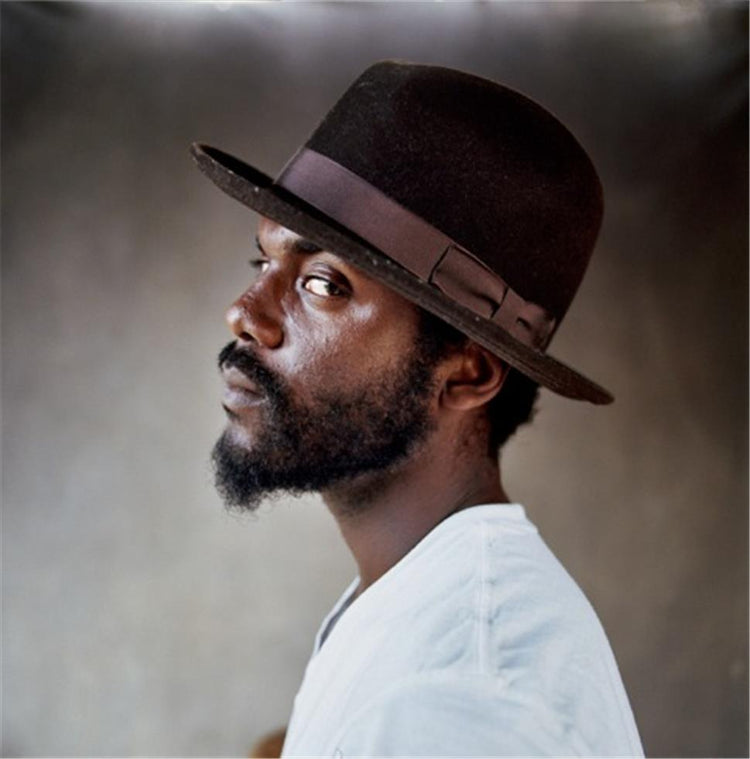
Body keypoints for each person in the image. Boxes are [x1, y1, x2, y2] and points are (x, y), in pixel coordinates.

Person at [192, 61, 644, 757]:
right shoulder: (424, 605)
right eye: (263, 263)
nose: (244, 314)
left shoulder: (457, 697)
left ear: (467, 372)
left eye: (321, 282)